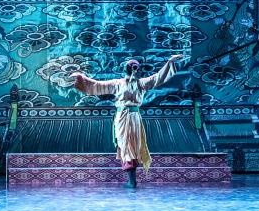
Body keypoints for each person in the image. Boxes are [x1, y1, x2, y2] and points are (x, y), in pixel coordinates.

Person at [69, 54, 183, 188]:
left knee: (131, 146)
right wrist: (81, 78)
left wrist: (170, 61)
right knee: (125, 145)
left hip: (133, 118)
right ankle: (131, 180)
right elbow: (97, 85)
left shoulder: (141, 83)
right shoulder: (118, 83)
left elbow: (158, 77)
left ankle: (132, 181)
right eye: (132, 67)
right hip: (123, 117)